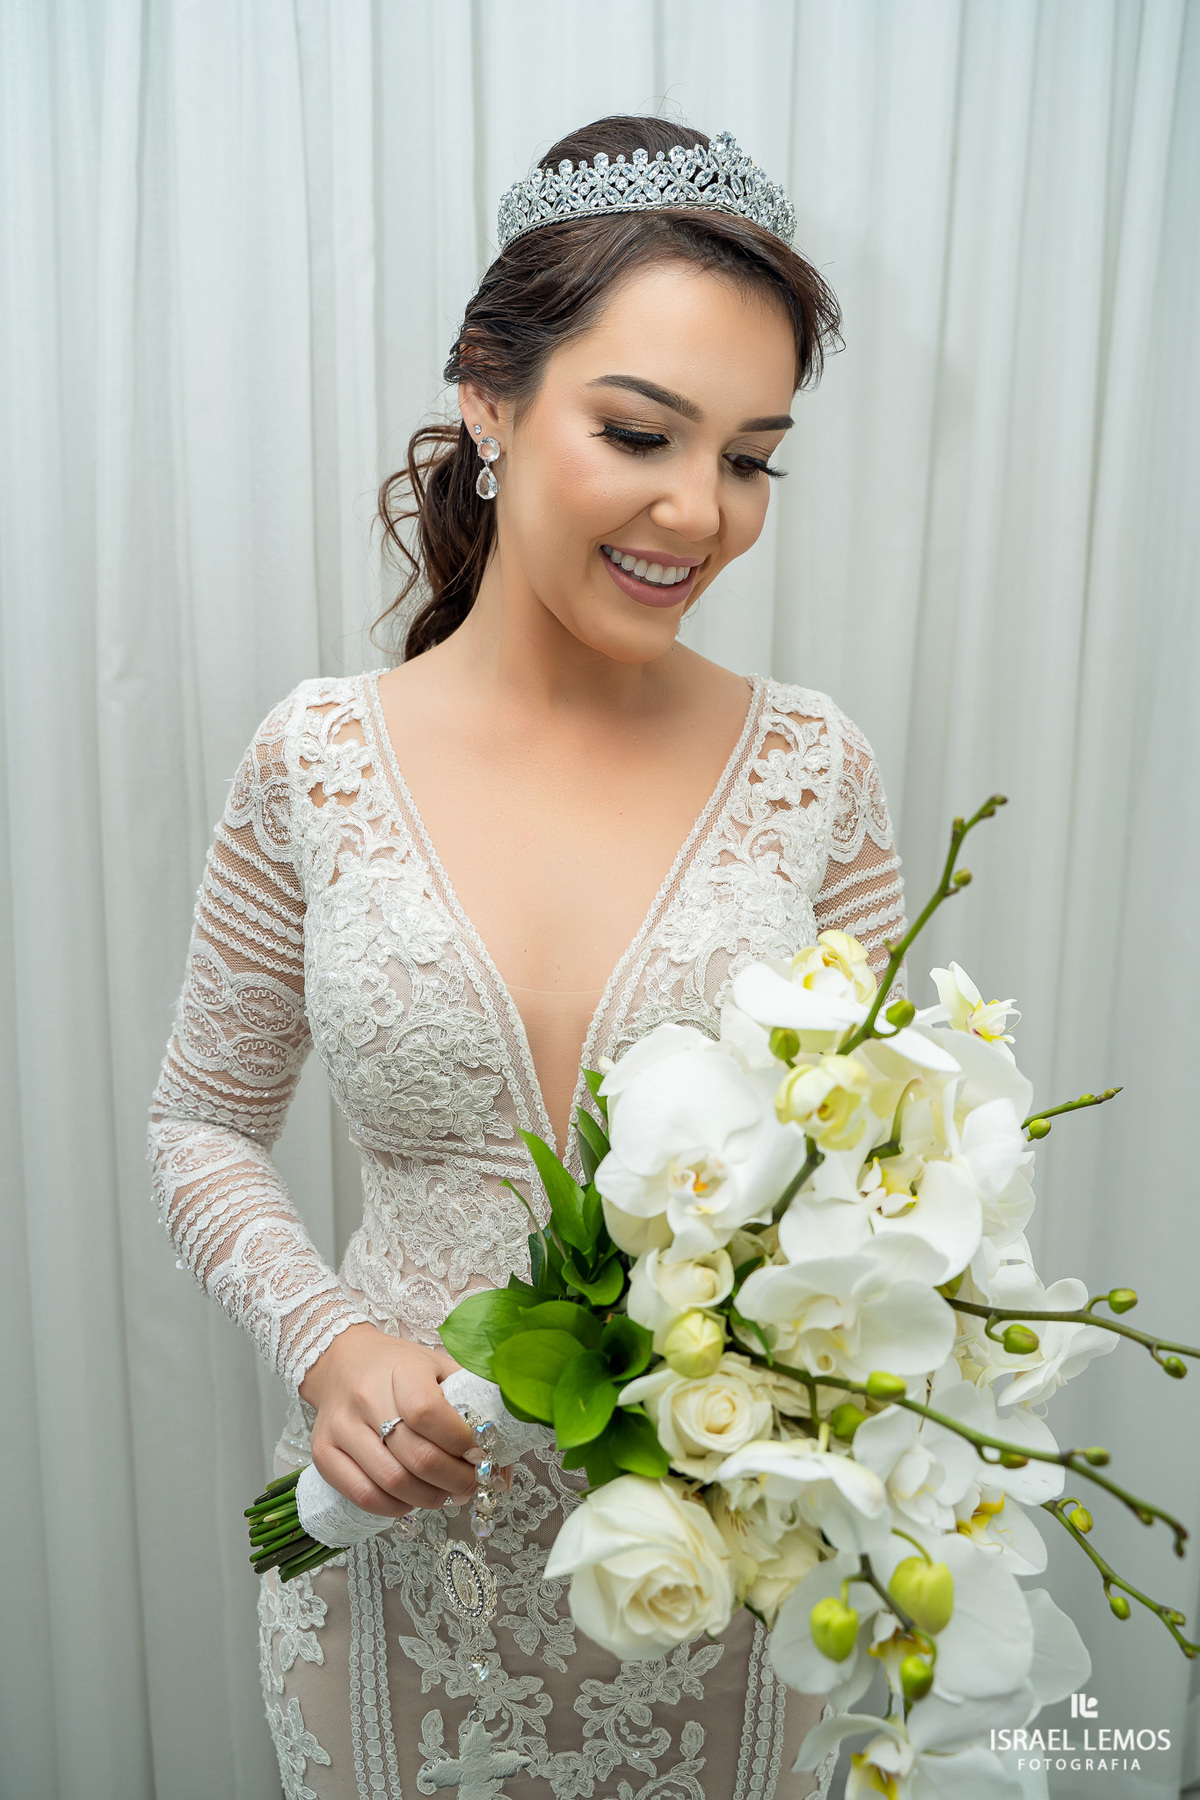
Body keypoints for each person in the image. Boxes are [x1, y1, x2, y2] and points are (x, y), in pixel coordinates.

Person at [148, 115, 907, 1800]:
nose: (698, 512)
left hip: (728, 1581)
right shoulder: (317, 761)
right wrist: (330, 1339)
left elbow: (881, 1178)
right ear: (490, 398)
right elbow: (196, 1124)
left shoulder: (814, 772)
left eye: (753, 456)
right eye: (639, 431)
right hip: (405, 1557)